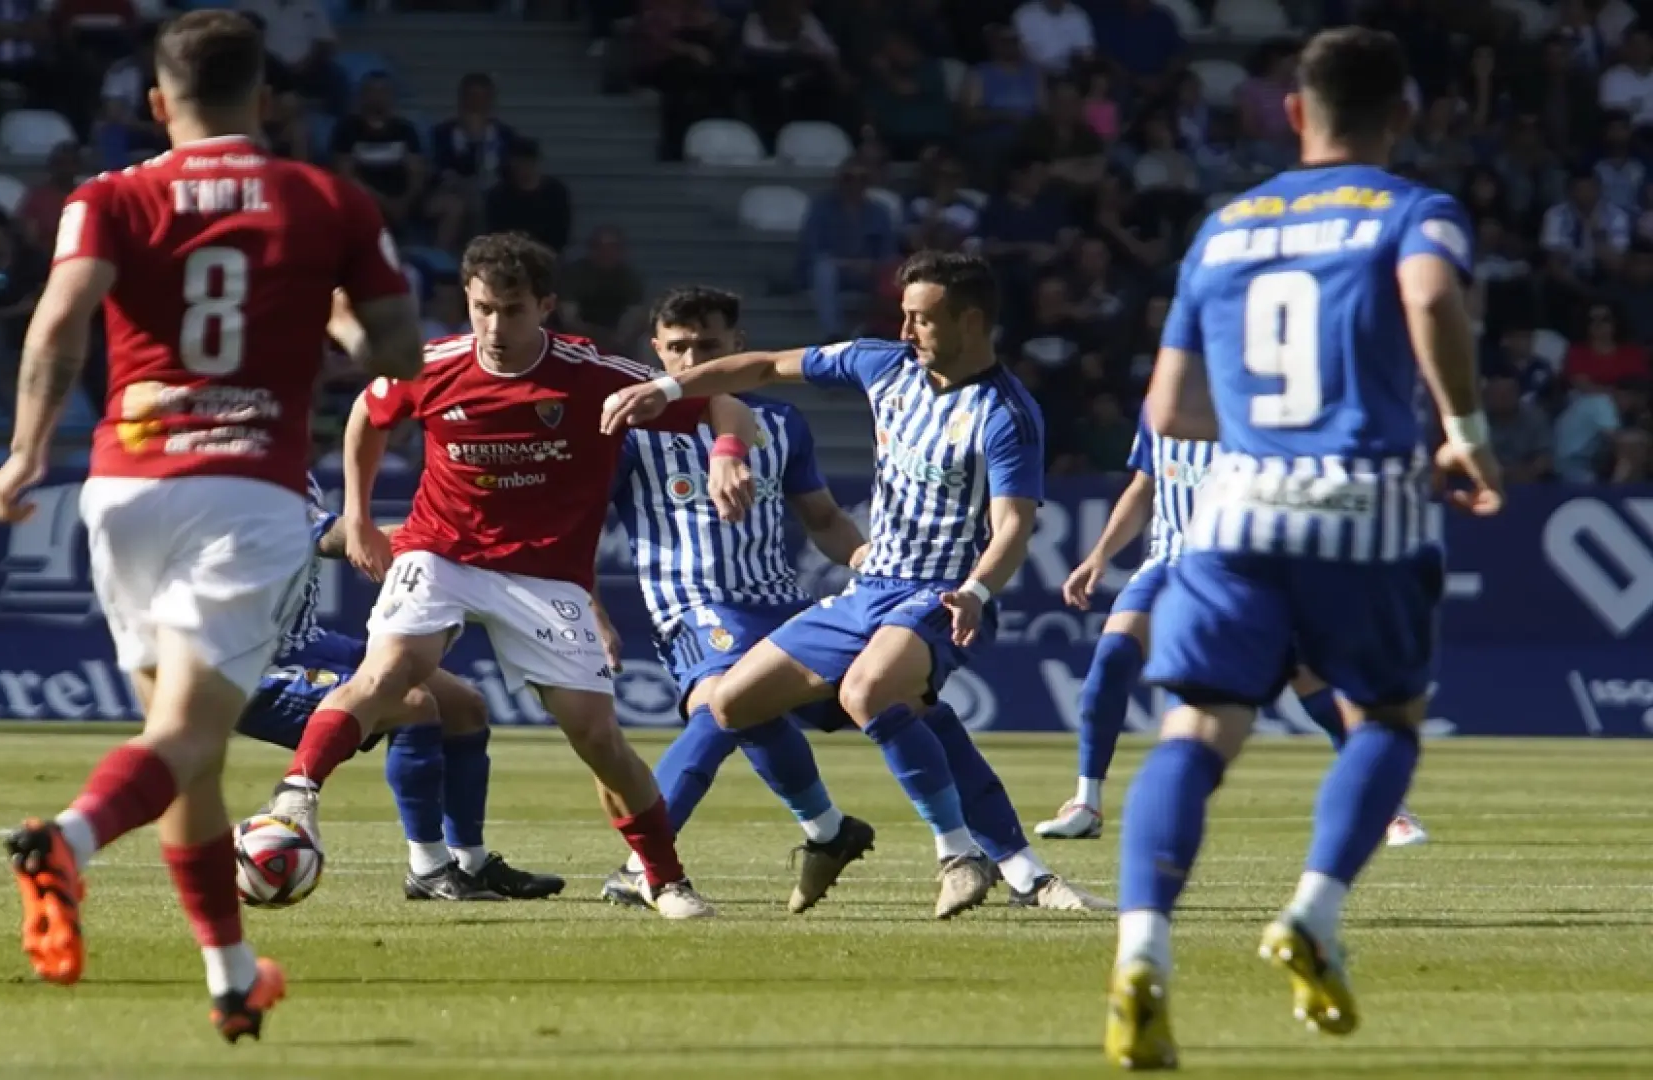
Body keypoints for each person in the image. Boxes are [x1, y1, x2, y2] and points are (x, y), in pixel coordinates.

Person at [0, 10, 421, 1042]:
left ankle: (229, 975)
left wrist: (26, 452)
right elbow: (396, 354)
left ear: (156, 104)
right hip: (245, 492)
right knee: (186, 736)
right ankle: (69, 842)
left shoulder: (110, 196)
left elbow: (57, 322)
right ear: (266, 102)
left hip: (124, 489)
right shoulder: (325, 200)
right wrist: (339, 319)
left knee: (187, 751)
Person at [1099, 28, 1502, 1070]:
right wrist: (1463, 429)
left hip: (1234, 514)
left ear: (1293, 112)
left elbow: (1170, 408)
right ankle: (1314, 913)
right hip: (1367, 506)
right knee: (1386, 720)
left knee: (1196, 729)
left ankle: (1141, 948)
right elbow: (1427, 295)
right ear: (1402, 117)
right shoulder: (1415, 210)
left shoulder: (1223, 227)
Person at [264, 231, 761, 921]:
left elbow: (720, 396)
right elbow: (367, 417)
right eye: (482, 308)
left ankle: (663, 877)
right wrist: (361, 515)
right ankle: (297, 795)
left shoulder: (592, 376)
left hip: (544, 575)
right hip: (441, 552)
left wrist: (726, 451)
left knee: (597, 738)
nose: (495, 328)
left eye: (513, 310)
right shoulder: (433, 365)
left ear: (546, 306)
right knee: (390, 673)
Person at [601, 253, 1110, 920]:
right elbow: (764, 368)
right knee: (732, 703)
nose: (907, 330)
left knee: (870, 690)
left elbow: (1013, 525)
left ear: (972, 321)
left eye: (923, 319)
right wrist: (668, 392)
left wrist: (979, 592)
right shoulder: (883, 364)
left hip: (940, 591)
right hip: (868, 589)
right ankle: (954, 857)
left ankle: (959, 854)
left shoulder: (1006, 413)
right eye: (904, 315)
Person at [594, 286, 877, 914]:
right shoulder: (630, 431)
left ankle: (862, 837)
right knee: (725, 704)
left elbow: (825, 518)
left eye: (708, 347)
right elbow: (577, 528)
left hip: (781, 603)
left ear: (738, 349)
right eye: (678, 347)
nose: (691, 360)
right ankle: (647, 866)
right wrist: (594, 610)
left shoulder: (780, 423)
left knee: (889, 697)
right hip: (692, 605)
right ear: (655, 351)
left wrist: (868, 562)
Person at [1039, 414, 1430, 850]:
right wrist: (1099, 556)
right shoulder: (1161, 403)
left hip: (1239, 569)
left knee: (1307, 678)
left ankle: (1389, 807)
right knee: (1113, 655)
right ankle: (1085, 803)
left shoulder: (1251, 403)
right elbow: (1144, 485)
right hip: (1168, 563)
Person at [234, 472, 566, 903]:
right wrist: (442, 539)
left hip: (306, 643)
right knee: (412, 703)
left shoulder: (286, 467)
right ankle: (428, 867)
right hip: (249, 670)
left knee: (464, 705)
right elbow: (335, 537)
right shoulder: (231, 481)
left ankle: (471, 863)